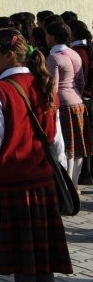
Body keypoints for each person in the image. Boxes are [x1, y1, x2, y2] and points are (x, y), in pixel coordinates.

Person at [0, 28, 72, 282]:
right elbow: (57, 142)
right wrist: (61, 179)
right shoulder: (44, 84)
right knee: (44, 258)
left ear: (9, 55)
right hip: (44, 183)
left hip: (14, 185)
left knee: (23, 261)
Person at [44, 20, 90, 185]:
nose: (45, 37)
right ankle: (75, 186)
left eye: (47, 34)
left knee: (66, 148)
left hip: (62, 105)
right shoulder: (74, 54)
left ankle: (67, 186)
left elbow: (53, 87)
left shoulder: (53, 57)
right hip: (78, 103)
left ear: (53, 37)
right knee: (78, 149)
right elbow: (81, 82)